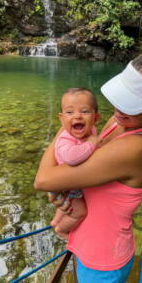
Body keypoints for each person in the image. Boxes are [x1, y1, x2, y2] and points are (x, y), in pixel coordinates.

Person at [35, 50, 142, 283]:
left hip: (103, 255)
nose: (118, 107)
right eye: (122, 96)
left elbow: (43, 179)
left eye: (132, 102)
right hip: (86, 239)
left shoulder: (136, 147)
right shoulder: (122, 121)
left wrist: (64, 128)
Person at [49, 87, 99, 240]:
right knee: (79, 212)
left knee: (66, 207)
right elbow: (71, 158)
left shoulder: (91, 130)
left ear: (96, 118)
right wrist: (91, 143)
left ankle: (55, 221)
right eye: (70, 112)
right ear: (62, 118)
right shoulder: (65, 138)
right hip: (65, 187)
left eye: (84, 111)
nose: (77, 116)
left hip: (69, 185)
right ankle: (61, 230)